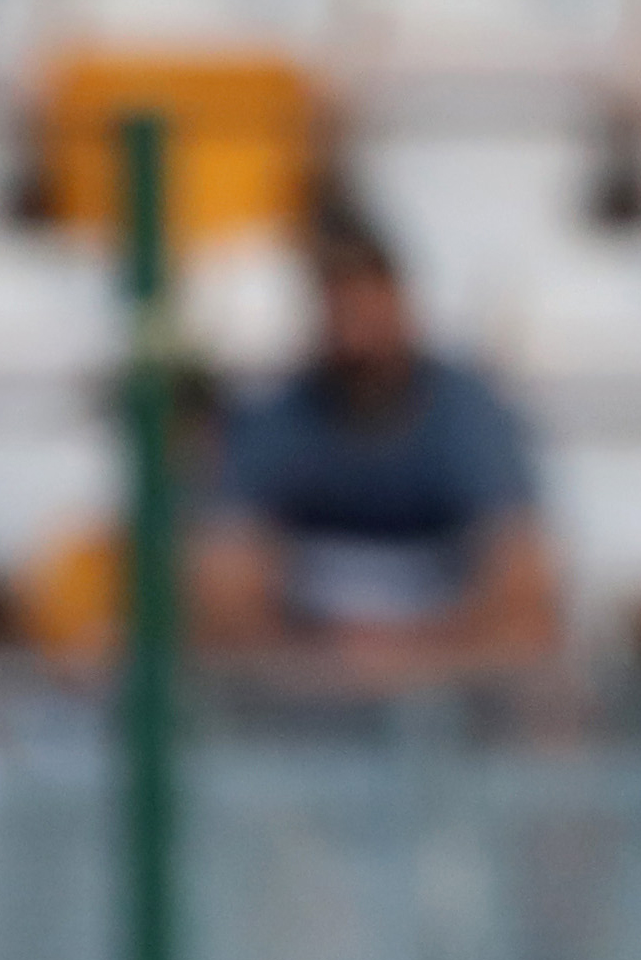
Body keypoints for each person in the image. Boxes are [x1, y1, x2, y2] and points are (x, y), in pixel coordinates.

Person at [193, 230, 558, 692]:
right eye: (342, 313)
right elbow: (226, 565)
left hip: (450, 666)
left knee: (532, 629)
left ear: (403, 308)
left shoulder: (470, 411)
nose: (358, 337)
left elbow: (520, 569)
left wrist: (409, 656)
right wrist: (329, 656)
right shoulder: (280, 414)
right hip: (306, 662)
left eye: (370, 312)